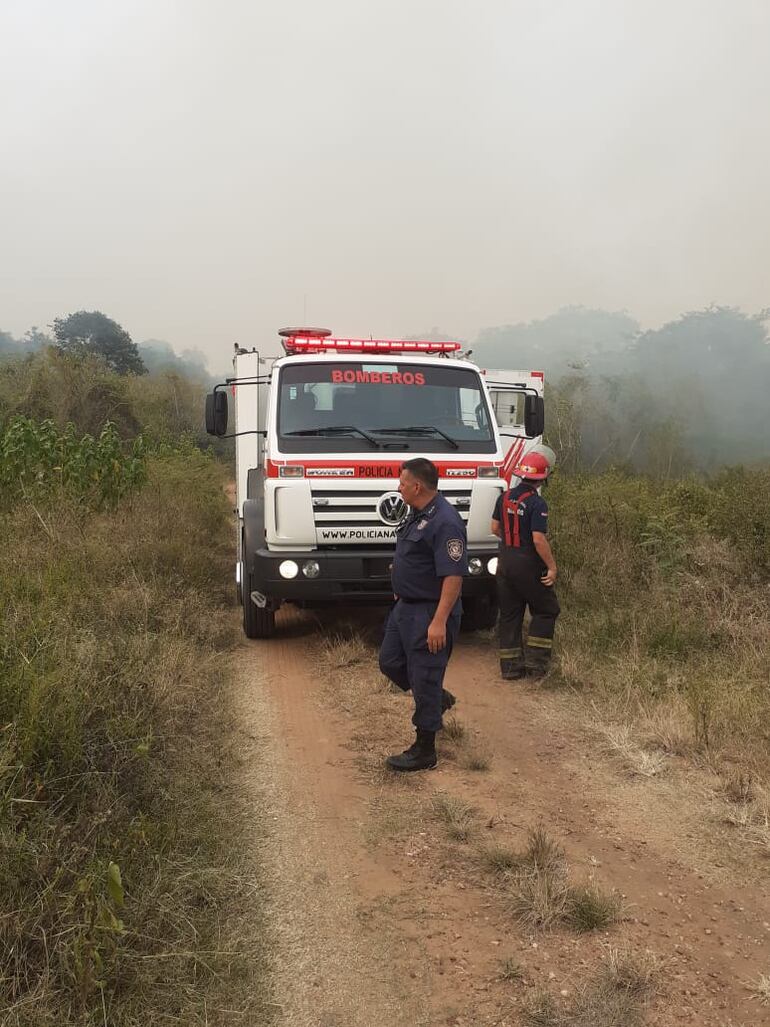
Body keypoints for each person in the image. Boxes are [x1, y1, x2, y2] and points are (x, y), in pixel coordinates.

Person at [379, 458, 468, 771]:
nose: (398, 488)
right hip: (405, 606)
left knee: (425, 674)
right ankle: (435, 698)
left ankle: (424, 750)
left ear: (416, 486)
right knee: (389, 662)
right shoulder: (417, 514)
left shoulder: (446, 521)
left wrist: (439, 621)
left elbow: (453, 576)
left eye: (402, 483)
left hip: (429, 611)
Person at [490, 451, 559, 680]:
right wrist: (551, 567)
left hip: (505, 562)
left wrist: (512, 543)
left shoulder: (505, 497)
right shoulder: (537, 503)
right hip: (527, 565)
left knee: (510, 614)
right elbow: (538, 539)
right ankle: (536, 665)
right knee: (546, 609)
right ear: (542, 478)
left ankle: (510, 669)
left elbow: (494, 528)